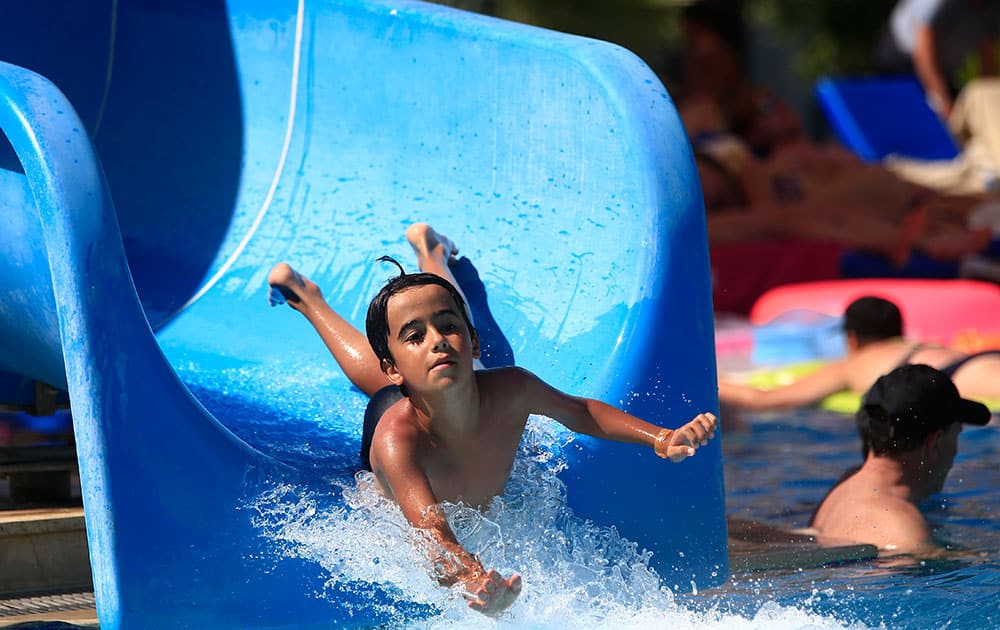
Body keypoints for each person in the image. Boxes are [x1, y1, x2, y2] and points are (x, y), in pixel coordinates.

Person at [267, 223, 718, 616]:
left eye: (450, 328)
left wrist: (660, 437)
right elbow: (431, 534)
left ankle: (431, 249)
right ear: (396, 364)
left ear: (472, 341)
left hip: (463, 387)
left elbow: (580, 411)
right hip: (399, 417)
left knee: (433, 340)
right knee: (382, 387)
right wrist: (474, 579)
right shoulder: (396, 444)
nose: (438, 341)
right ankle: (304, 296)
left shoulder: (512, 388)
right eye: (416, 336)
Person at [807, 364, 991, 554]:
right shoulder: (903, 530)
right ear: (934, 443)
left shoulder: (841, 491)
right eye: (956, 434)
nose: (955, 451)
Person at [718, 295, 1000, 410]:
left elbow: (764, 401)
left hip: (955, 382)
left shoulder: (855, 365)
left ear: (851, 338)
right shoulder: (931, 345)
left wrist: (705, 382)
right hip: (980, 362)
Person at [876, 0, 1000, 119]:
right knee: (914, 117)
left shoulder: (993, 7)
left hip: (943, 71)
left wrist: (987, 104)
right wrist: (943, 103)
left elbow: (987, 58)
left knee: (963, 116)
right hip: (901, 60)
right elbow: (922, 50)